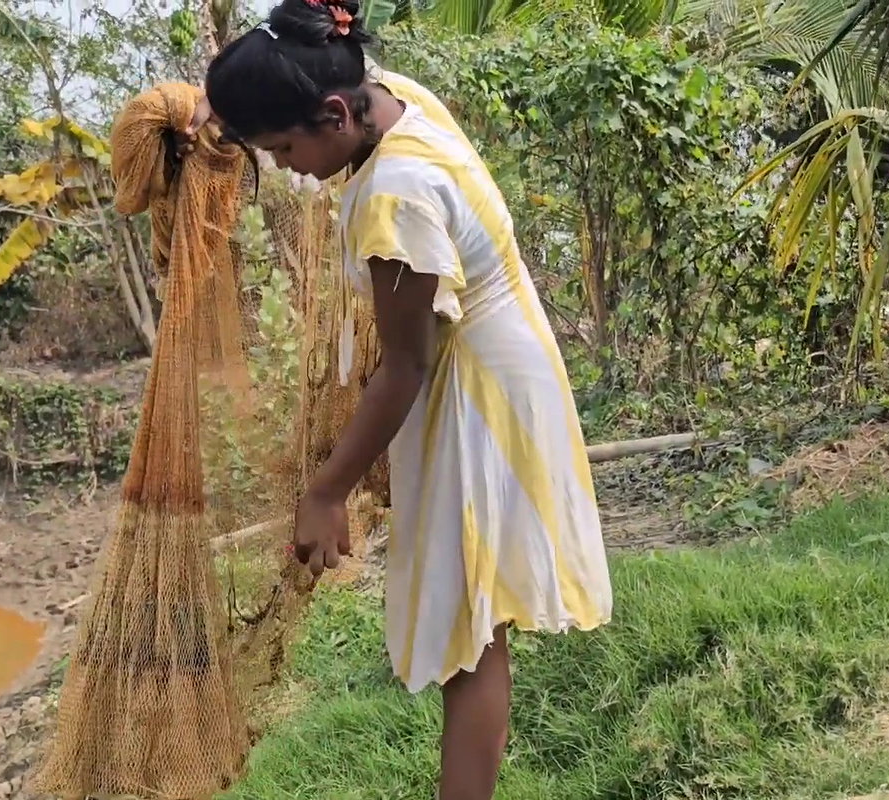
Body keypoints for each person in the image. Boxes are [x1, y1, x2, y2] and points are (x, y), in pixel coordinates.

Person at [187, 1, 614, 798]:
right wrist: (221, 101)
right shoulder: (395, 97)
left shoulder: (395, 197)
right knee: (474, 622)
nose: (284, 167)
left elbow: (406, 369)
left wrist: (326, 491)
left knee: (469, 634)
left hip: (475, 397)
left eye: (283, 147)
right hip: (501, 357)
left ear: (335, 114)